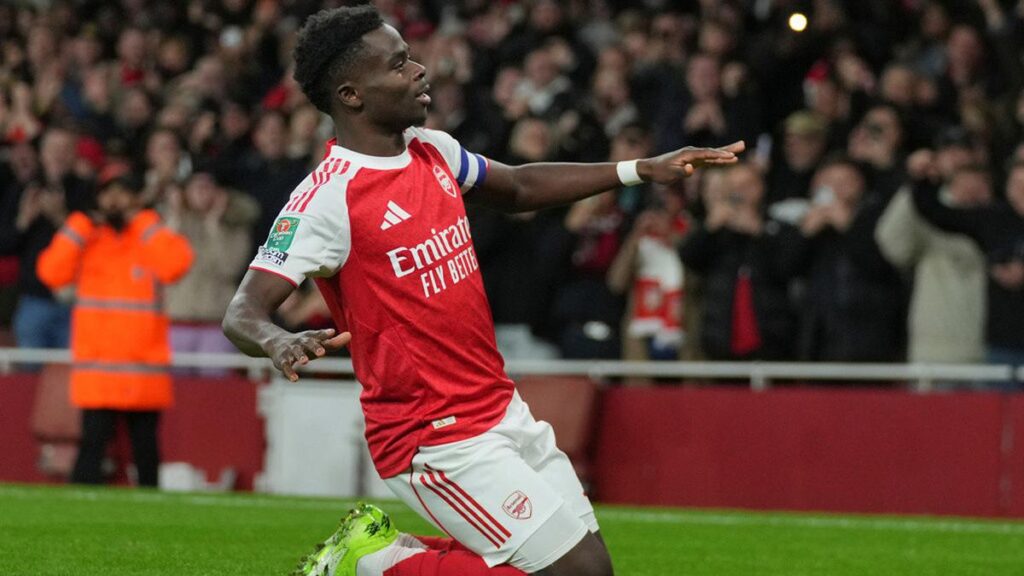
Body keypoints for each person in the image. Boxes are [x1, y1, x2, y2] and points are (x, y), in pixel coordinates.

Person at [221, 6, 741, 576]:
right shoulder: (327, 200)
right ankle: (375, 564)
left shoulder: (431, 150)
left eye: (410, 57)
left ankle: (383, 551)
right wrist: (276, 340)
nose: (419, 70)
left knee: (587, 566)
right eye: (398, 65)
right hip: (432, 438)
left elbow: (517, 187)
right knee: (579, 572)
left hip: (499, 407)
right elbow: (243, 310)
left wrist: (638, 168)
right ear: (351, 95)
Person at [36, 164, 193, 486]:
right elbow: (50, 273)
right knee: (91, 449)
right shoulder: (87, 238)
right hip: (100, 371)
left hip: (143, 370)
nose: (115, 200)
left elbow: (177, 265)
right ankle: (81, 511)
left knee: (146, 453)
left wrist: (144, 220)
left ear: (136, 198)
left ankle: (149, 511)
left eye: (123, 193)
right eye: (108, 193)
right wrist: (80, 223)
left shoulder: (148, 236)